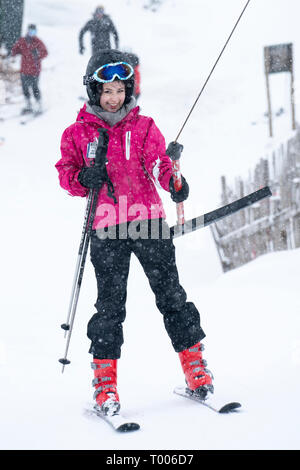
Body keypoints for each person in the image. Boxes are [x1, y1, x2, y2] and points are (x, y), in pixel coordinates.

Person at [55, 50, 214, 416]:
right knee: (110, 307)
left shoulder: (144, 127)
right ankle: (105, 383)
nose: (114, 97)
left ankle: (195, 368)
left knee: (172, 296)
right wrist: (82, 178)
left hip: (149, 222)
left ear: (129, 90)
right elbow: (66, 171)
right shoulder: (78, 132)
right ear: (94, 92)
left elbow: (160, 164)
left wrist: (174, 183)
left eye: (120, 90)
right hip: (106, 227)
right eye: (106, 90)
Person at [10, 24, 48, 114]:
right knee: (25, 88)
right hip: (24, 70)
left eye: (34, 31)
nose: (32, 33)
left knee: (35, 88)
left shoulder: (38, 42)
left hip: (35, 70)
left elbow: (45, 53)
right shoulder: (22, 41)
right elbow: (14, 50)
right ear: (27, 31)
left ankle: (39, 104)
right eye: (31, 31)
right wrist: (14, 51)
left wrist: (38, 54)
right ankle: (28, 104)